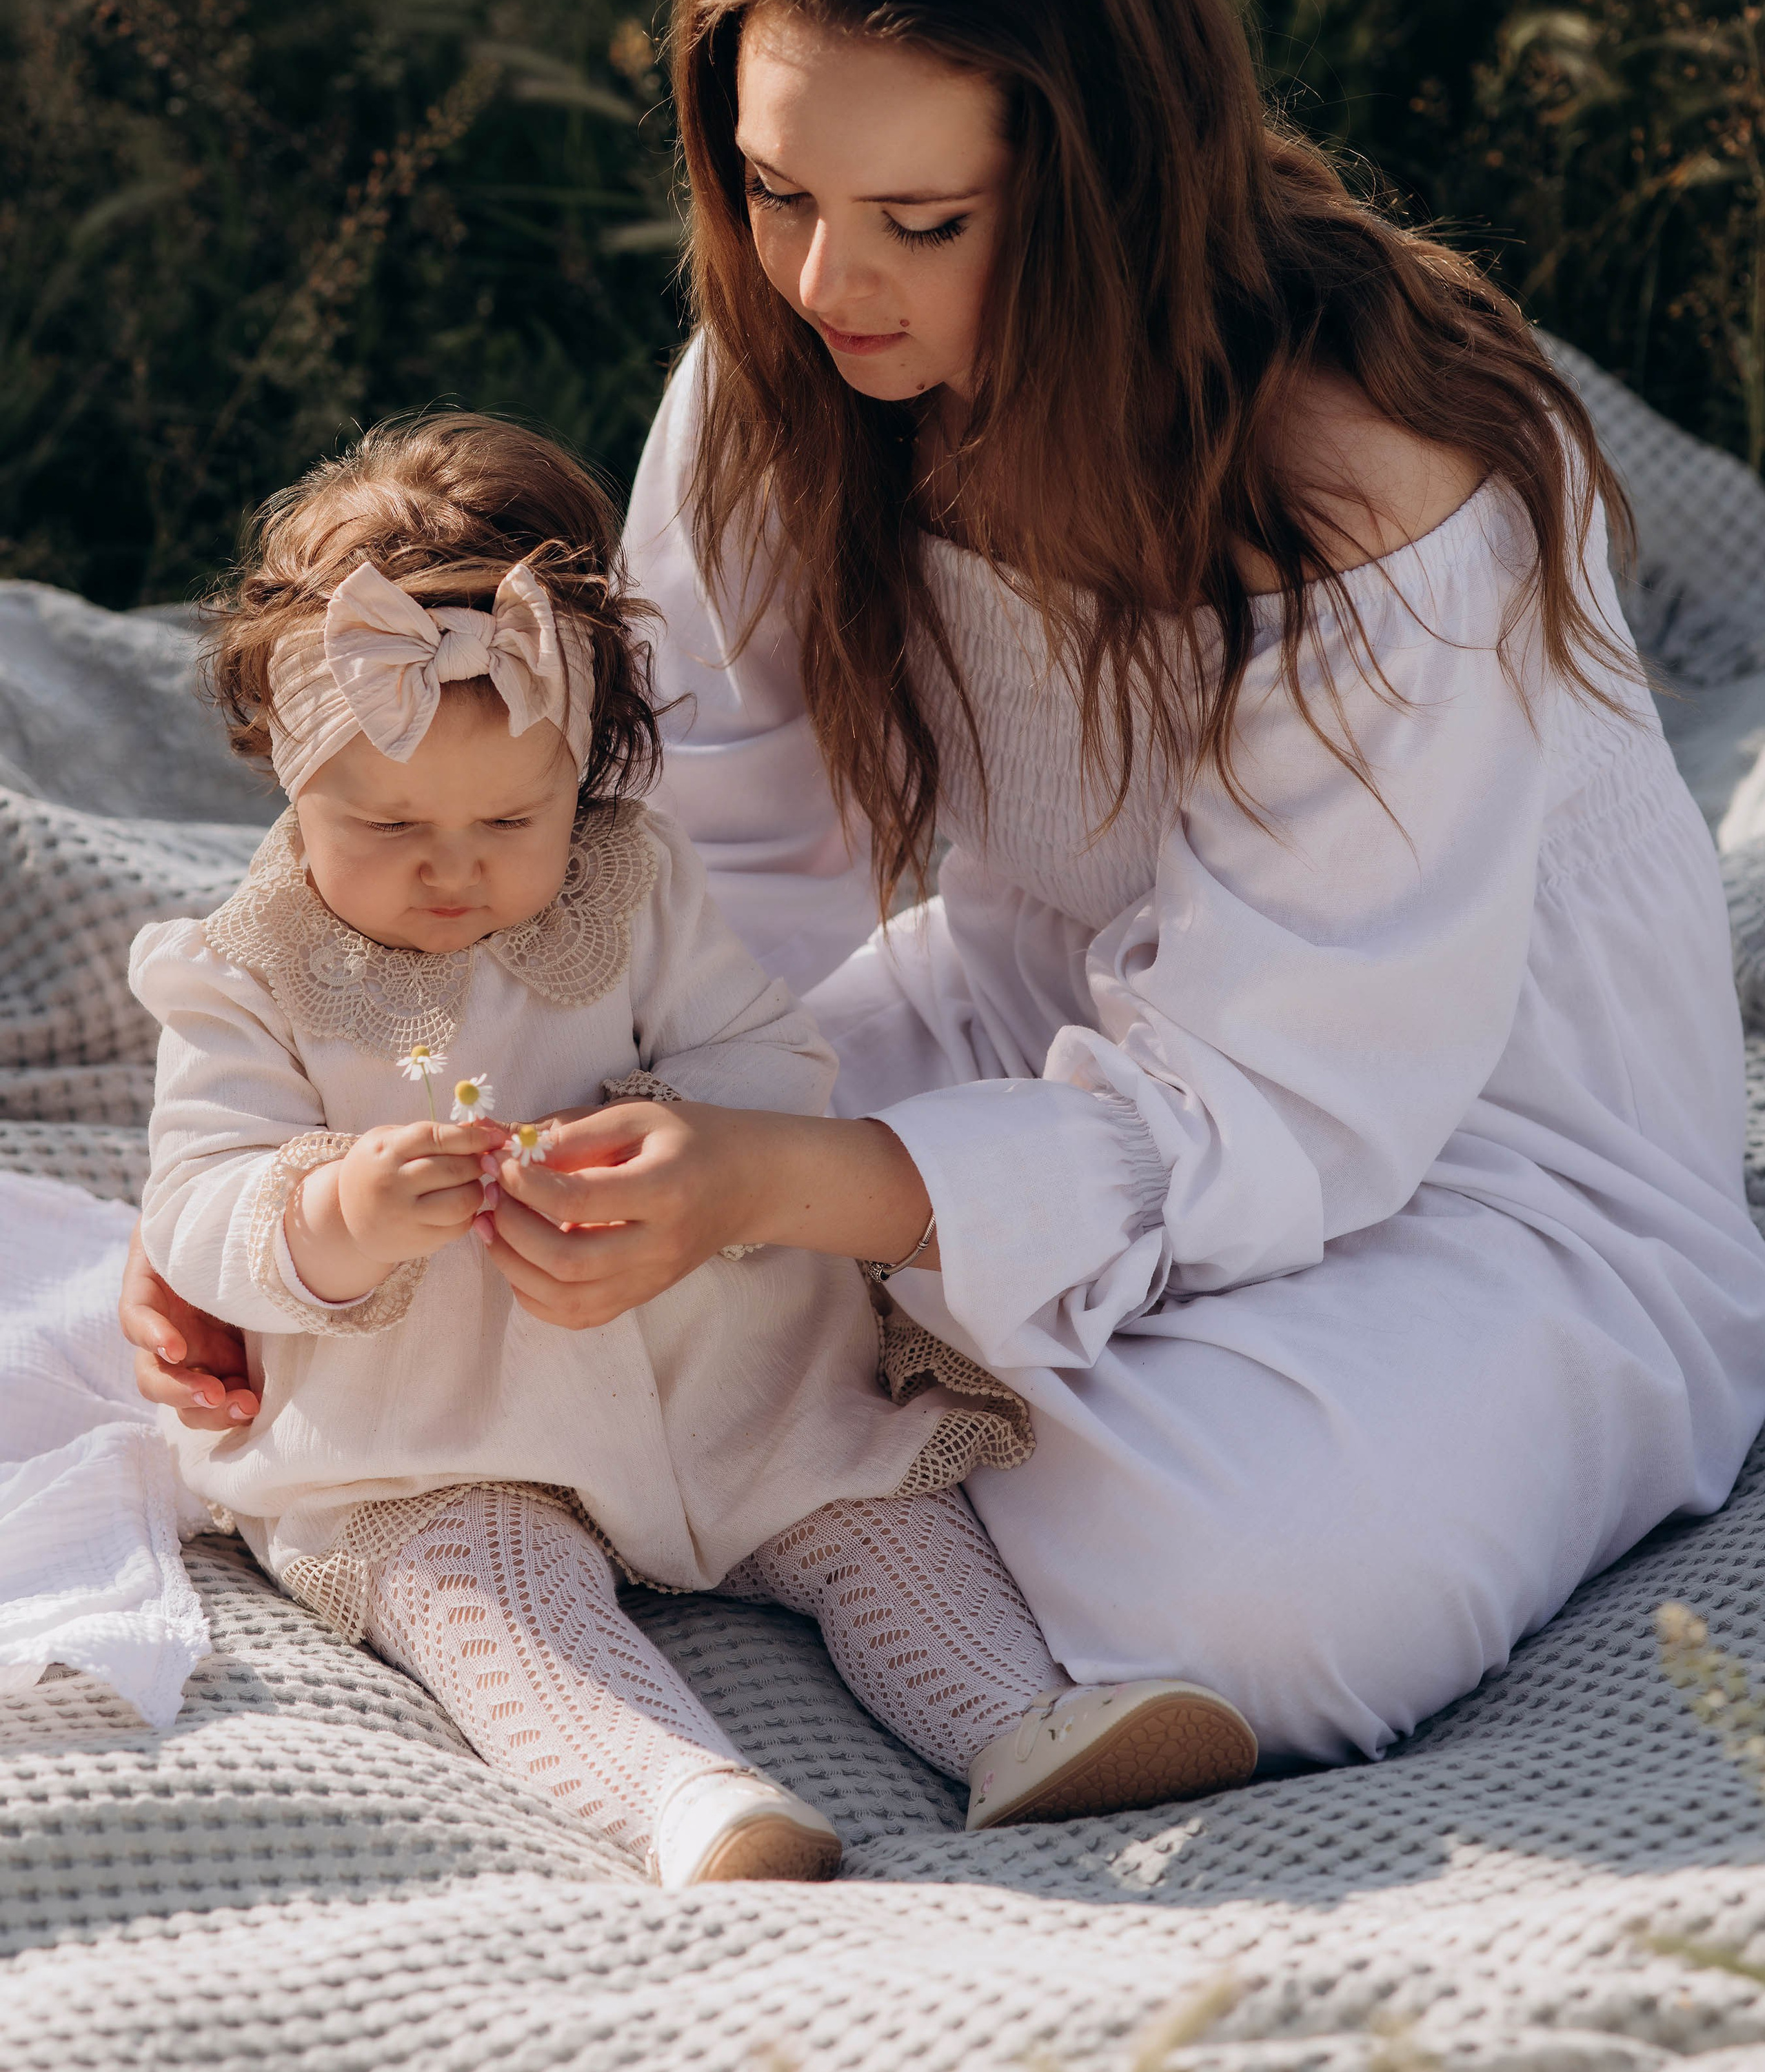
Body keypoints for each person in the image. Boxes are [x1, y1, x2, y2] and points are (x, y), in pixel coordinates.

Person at [134, 0, 1765, 1771]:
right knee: (427, 1279)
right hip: (1017, 1027)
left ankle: (762, 1430)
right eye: (776, 187)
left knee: (1247, 1592)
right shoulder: (798, 369)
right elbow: (682, 874)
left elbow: (1285, 1093)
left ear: (1108, 192)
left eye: (923, 220)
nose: (830, 284)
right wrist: (295, 1223)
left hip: (1465, 1151)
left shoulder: (1370, 497)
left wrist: (774, 1192)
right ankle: (741, 1420)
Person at [125, 412, 1257, 1887]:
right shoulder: (242, 971)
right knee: (488, 1589)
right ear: (284, 766)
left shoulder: (636, 885)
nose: (452, 866)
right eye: (388, 819)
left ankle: (1019, 1716)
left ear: (586, 765)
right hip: (438, 1414)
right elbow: (197, 1199)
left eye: (508, 816)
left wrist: (692, 1141)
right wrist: (334, 1210)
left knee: (868, 1499)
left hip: (704, 1353)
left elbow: (762, 1050)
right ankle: (676, 1791)